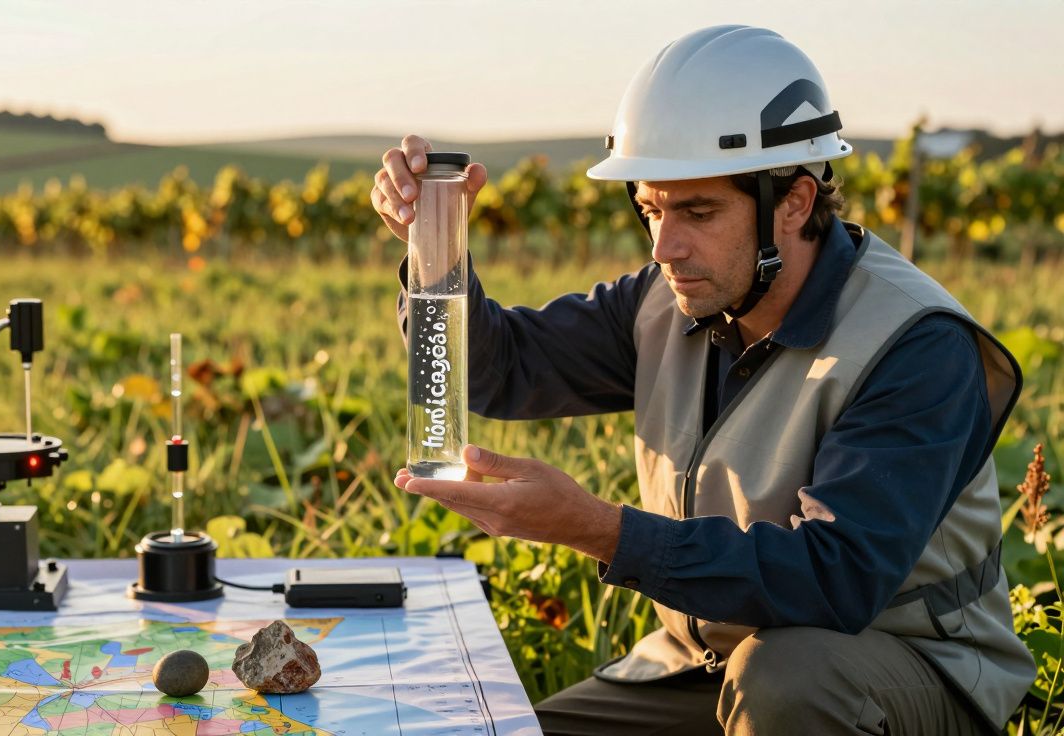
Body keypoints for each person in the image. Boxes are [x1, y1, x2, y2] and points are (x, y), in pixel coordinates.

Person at [369, 25, 1033, 736]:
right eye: (652, 208)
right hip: (704, 665)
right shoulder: (669, 296)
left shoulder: (916, 345)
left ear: (795, 201)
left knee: (785, 682)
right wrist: (434, 245)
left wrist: (596, 529)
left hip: (900, 674)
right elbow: (499, 372)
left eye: (697, 211)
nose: (664, 246)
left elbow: (834, 579)